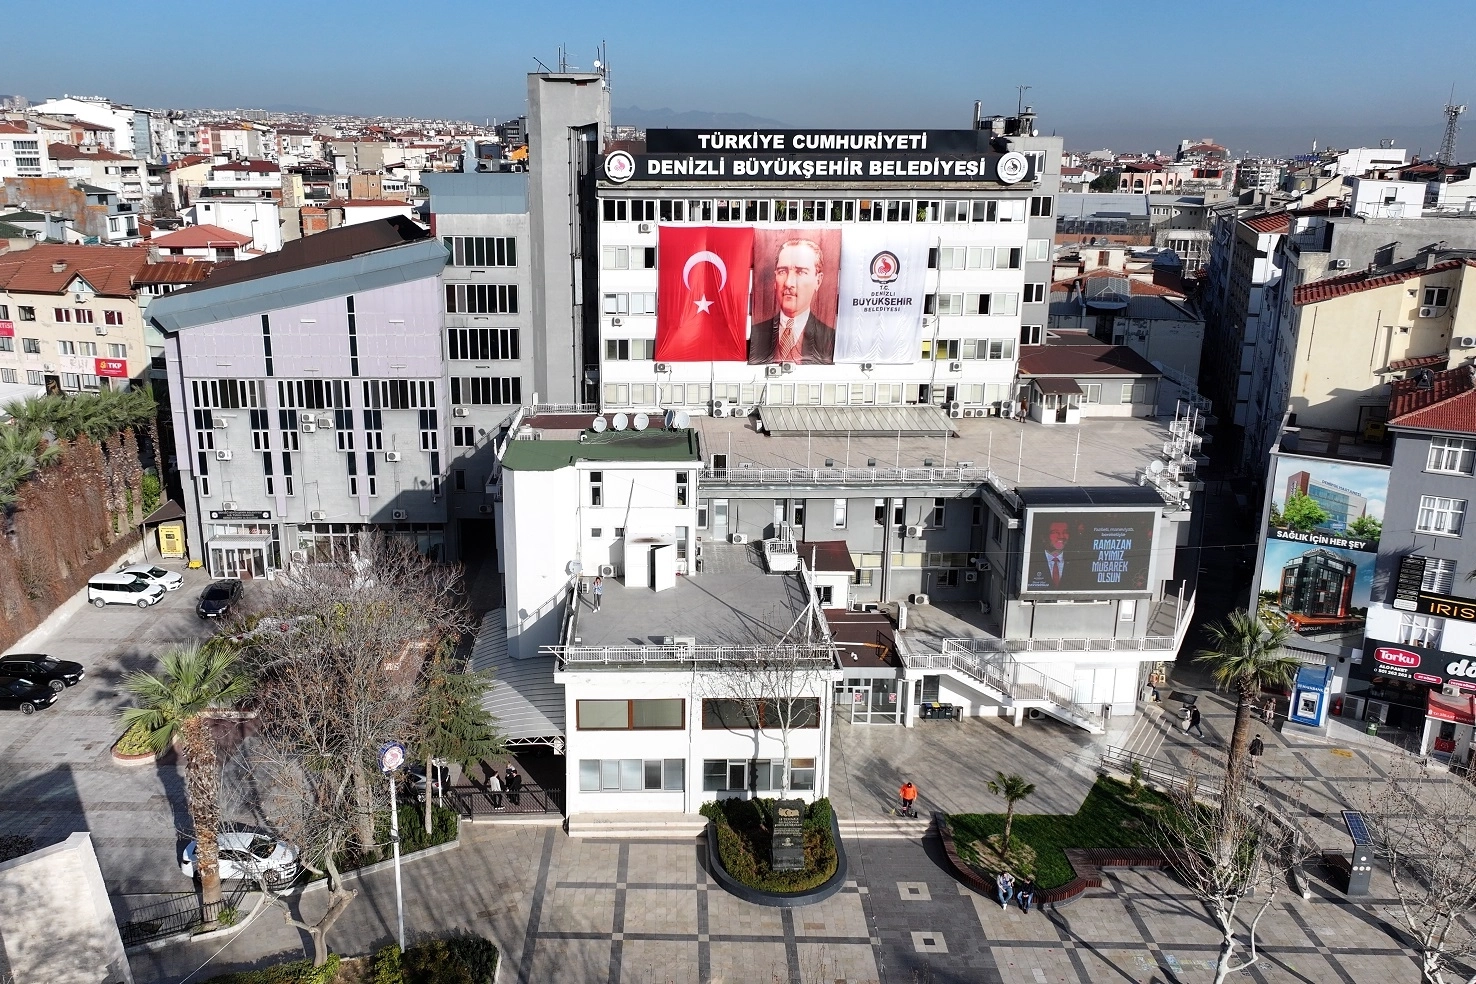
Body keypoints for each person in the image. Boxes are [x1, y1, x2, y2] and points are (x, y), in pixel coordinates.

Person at [748, 239, 835, 365]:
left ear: (818, 280)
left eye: (801, 272)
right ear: (775, 279)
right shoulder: (756, 333)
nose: (789, 283)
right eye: (782, 272)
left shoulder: (829, 338)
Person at [1027, 520, 1076, 590]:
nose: (1061, 536)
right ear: (1043, 537)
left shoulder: (1077, 563)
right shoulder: (1031, 561)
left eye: (1065, 532)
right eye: (1055, 532)